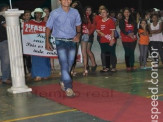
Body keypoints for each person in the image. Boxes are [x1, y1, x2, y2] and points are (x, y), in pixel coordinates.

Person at [45, 0, 81, 97]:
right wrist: (47, 41)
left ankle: (62, 80)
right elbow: (48, 27)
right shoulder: (55, 13)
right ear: (59, 1)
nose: (67, 1)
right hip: (60, 41)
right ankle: (68, 87)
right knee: (64, 63)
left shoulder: (75, 12)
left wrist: (78, 34)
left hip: (72, 41)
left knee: (70, 63)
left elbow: (78, 25)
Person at [30, 8, 51, 81]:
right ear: (35, 14)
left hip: (43, 45)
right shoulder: (30, 23)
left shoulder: (45, 24)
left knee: (45, 59)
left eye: (40, 13)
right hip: (35, 46)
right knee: (36, 60)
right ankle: (37, 74)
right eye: (37, 13)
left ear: (42, 15)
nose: (39, 14)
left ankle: (46, 74)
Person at [96, 8, 116, 72]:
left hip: (110, 40)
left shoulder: (110, 21)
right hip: (103, 41)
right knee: (105, 54)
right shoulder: (99, 21)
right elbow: (97, 30)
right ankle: (106, 67)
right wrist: (101, 33)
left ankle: (113, 67)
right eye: (101, 12)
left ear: (107, 13)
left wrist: (112, 39)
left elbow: (112, 31)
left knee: (112, 53)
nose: (102, 13)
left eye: (104, 12)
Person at [119, 8, 137, 72]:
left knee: (132, 52)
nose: (126, 13)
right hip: (125, 39)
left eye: (128, 12)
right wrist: (129, 34)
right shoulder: (121, 21)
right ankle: (128, 65)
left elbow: (135, 29)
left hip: (133, 39)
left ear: (129, 13)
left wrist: (133, 34)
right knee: (127, 52)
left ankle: (132, 65)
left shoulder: (133, 20)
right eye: (125, 12)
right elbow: (122, 29)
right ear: (123, 13)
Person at [81, 6, 96, 76]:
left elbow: (93, 27)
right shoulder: (83, 17)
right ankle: (87, 65)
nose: (88, 11)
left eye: (90, 10)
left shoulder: (92, 18)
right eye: (87, 10)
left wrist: (88, 33)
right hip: (84, 35)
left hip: (89, 35)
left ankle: (93, 64)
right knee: (85, 51)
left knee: (87, 50)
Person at [0, 4, 11, 85]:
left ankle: (6, 77)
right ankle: (5, 78)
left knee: (6, 60)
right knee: (6, 60)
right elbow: (6, 26)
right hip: (3, 41)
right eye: (7, 9)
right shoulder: (2, 17)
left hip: (5, 40)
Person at [22, 10, 32, 76]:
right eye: (26, 15)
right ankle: (23, 73)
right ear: (23, 16)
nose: (28, 16)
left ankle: (30, 72)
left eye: (29, 15)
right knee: (22, 59)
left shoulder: (32, 24)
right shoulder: (21, 23)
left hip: (30, 44)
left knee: (29, 59)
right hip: (22, 43)